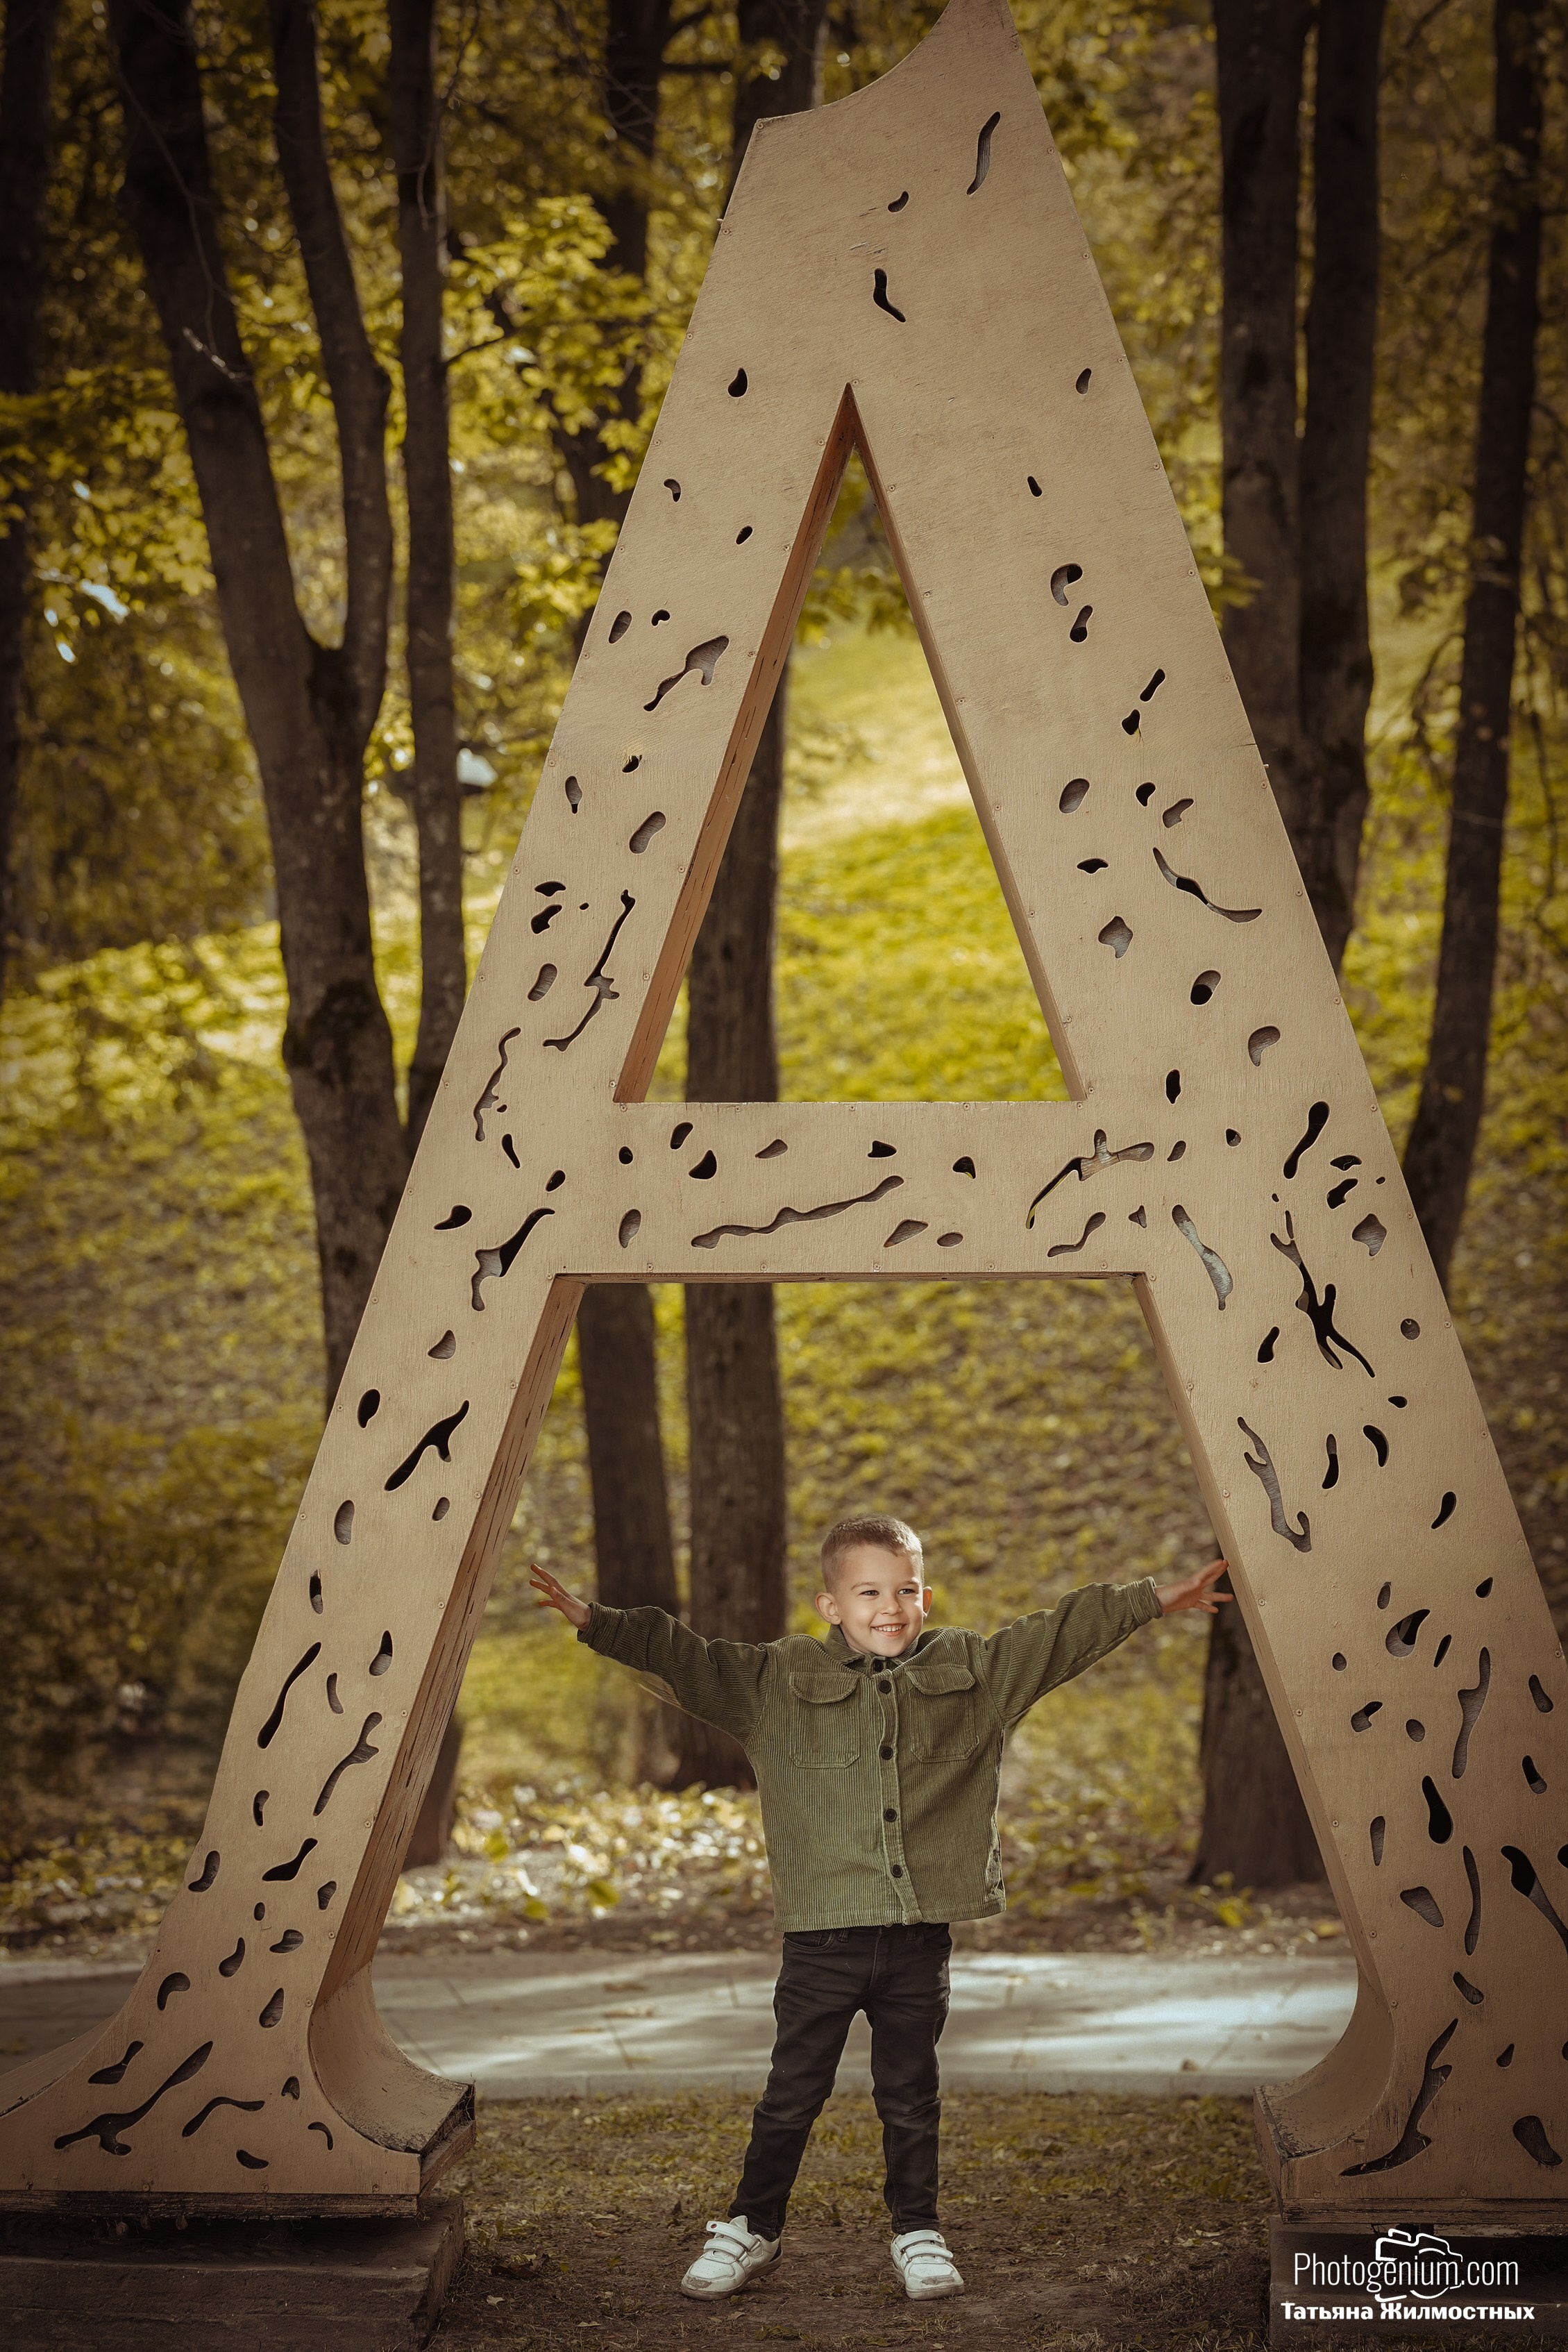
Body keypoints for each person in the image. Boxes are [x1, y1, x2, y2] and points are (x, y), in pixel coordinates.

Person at [529, 1515, 1229, 2305]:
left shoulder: (975, 1671)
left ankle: (917, 2232)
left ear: (925, 1596)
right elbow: (688, 1660)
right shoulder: (776, 1682)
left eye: (904, 1590)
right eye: (867, 1591)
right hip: (821, 1941)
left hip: (916, 1940)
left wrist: (1151, 1601)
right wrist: (600, 1623)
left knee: (911, 2093)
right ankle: (752, 2226)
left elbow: (1058, 1633)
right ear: (831, 1605)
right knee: (791, 2094)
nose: (889, 1607)